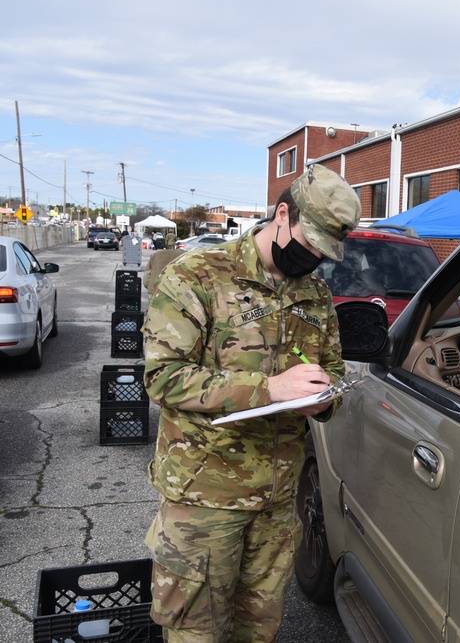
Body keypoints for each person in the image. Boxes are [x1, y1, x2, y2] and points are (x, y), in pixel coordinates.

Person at [141, 164, 361, 642]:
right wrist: (271, 389)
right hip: (205, 500)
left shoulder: (315, 294)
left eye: (324, 253)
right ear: (282, 215)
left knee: (258, 632)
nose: (313, 260)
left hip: (277, 503)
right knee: (196, 632)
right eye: (309, 245)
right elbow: (164, 378)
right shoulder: (197, 275)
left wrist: (322, 401)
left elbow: (334, 372)